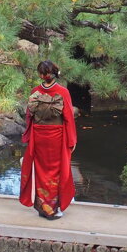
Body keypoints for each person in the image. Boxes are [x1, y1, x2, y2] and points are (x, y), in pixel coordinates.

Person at [20, 60, 77, 220]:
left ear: (41, 75)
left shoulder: (35, 91)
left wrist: (29, 135)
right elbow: (68, 118)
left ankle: (41, 206)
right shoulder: (63, 92)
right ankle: (52, 209)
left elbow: (29, 116)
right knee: (55, 171)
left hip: (39, 136)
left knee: (41, 170)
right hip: (56, 136)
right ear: (55, 73)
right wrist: (71, 140)